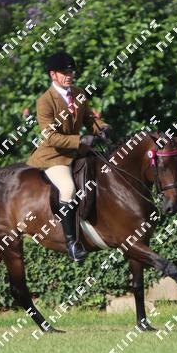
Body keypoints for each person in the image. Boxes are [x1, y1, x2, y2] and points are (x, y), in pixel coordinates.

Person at [26, 51, 112, 262]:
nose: (69, 76)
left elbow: (90, 119)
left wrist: (102, 128)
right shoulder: (45, 101)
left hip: (77, 152)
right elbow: (51, 137)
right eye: (65, 73)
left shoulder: (78, 93)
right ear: (53, 74)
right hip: (53, 155)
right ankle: (72, 243)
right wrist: (80, 140)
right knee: (68, 189)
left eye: (71, 72)